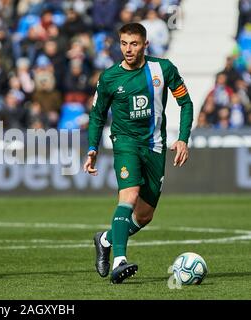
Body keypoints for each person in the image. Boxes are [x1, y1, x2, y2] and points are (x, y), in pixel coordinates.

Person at [83, 23, 193, 284]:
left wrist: (183, 139)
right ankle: (119, 261)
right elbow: (97, 116)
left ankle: (106, 239)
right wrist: (92, 148)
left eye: (133, 44)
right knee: (128, 196)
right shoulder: (109, 78)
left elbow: (185, 102)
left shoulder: (163, 69)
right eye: (123, 43)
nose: (128, 49)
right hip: (125, 143)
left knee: (144, 215)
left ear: (145, 44)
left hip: (155, 145)